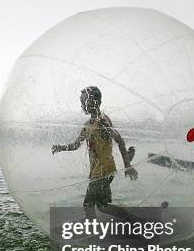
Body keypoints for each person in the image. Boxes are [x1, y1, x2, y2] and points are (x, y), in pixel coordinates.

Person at [52, 86, 138, 221]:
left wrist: (128, 165)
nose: (82, 105)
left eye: (84, 101)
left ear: (94, 101)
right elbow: (76, 145)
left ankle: (94, 230)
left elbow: (119, 140)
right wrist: (61, 147)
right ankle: (130, 219)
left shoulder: (102, 121)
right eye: (81, 101)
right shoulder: (87, 124)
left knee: (88, 204)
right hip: (96, 172)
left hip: (104, 171)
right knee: (102, 206)